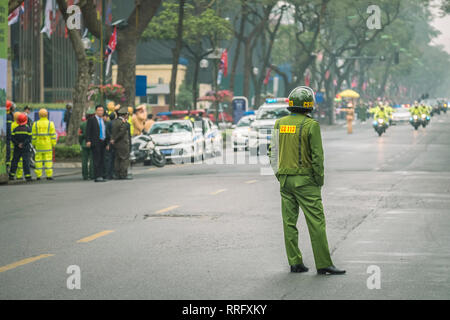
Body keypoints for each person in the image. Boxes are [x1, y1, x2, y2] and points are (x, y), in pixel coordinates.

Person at [269, 86, 345, 275]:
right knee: (316, 222)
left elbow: (272, 152)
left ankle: (295, 263)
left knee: (289, 223)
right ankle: (324, 264)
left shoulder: (280, 123)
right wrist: (318, 180)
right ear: (309, 105)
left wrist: (279, 174)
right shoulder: (311, 125)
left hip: (285, 181)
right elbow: (317, 157)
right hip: (306, 182)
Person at [32, 108, 57, 181]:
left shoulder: (35, 124)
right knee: (48, 160)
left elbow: (34, 136)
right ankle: (49, 175)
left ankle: (38, 176)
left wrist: (33, 144)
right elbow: (53, 135)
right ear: (47, 115)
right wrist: (53, 144)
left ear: (39, 115)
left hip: (39, 145)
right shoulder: (50, 123)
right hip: (48, 145)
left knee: (38, 161)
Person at [86, 104, 109, 182]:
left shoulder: (103, 120)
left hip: (103, 141)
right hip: (95, 142)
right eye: (99, 110)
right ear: (96, 111)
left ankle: (102, 175)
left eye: (101, 110)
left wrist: (107, 143)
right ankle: (97, 176)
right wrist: (88, 140)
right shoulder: (91, 120)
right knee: (97, 160)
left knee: (102, 159)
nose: (100, 112)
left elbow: (105, 131)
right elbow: (88, 131)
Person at [9, 113, 32, 182]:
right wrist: (23, 144)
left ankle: (11, 175)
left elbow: (12, 138)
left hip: (17, 148)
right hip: (25, 148)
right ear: (26, 120)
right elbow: (29, 139)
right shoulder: (28, 129)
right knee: (26, 162)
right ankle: (28, 177)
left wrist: (18, 144)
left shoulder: (15, 129)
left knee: (14, 162)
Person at [111, 106, 131, 180]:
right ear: (124, 115)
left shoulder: (115, 121)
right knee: (124, 159)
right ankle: (123, 174)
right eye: (127, 114)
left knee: (117, 159)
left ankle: (117, 174)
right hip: (122, 143)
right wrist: (115, 139)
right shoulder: (123, 123)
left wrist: (113, 140)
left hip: (117, 144)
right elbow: (121, 133)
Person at [79, 108, 95, 180]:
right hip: (93, 143)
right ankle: (92, 175)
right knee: (92, 159)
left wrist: (81, 143)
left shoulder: (82, 124)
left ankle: (85, 175)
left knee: (84, 160)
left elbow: (80, 135)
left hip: (84, 143)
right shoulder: (95, 123)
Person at [10, 112, 25, 180]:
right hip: (20, 146)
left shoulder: (11, 125)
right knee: (20, 161)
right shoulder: (22, 126)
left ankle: (11, 174)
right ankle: (19, 176)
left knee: (13, 160)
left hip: (12, 145)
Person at [105, 111, 117, 180]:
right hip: (115, 142)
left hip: (110, 142)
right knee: (114, 159)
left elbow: (107, 132)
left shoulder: (108, 124)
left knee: (109, 159)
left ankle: (108, 175)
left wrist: (110, 140)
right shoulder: (115, 123)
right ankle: (113, 173)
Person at [6, 100, 14, 169]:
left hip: (7, 138)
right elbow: (9, 128)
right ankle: (7, 167)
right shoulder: (8, 116)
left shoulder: (9, 115)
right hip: (7, 138)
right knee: (7, 153)